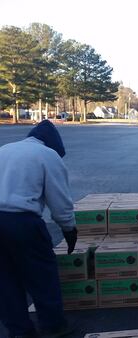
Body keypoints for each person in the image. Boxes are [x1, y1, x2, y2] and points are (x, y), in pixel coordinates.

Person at [0, 120, 77, 338]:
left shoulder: (5, 149)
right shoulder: (47, 155)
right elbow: (59, 200)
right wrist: (69, 228)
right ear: (54, 145)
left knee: (5, 280)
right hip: (22, 222)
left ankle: (19, 331)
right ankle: (53, 326)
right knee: (41, 275)